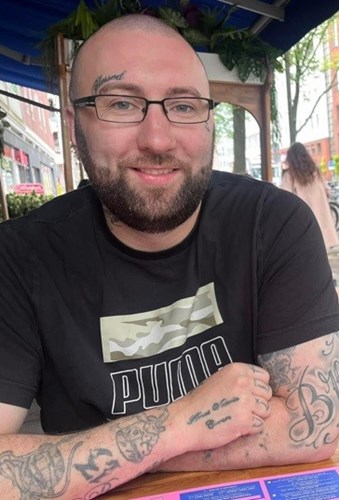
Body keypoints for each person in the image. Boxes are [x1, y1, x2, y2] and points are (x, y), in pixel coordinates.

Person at [0, 14, 338, 499]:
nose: (157, 140)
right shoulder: (19, 257)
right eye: (120, 103)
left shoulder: (273, 224)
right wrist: (179, 425)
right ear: (75, 126)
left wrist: (93, 458)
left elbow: (314, 427)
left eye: (182, 106)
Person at [281, 142, 339, 249]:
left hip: (302, 222)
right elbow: (327, 192)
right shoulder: (316, 173)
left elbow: (285, 200)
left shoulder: (289, 176)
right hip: (321, 223)